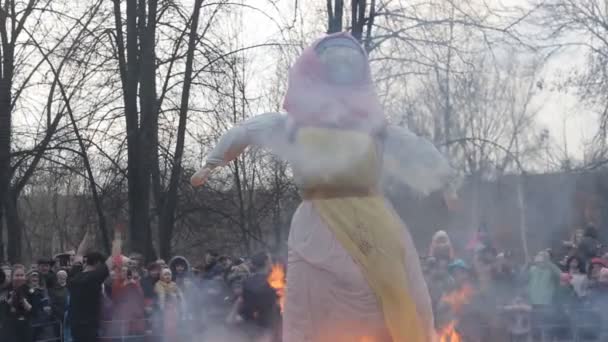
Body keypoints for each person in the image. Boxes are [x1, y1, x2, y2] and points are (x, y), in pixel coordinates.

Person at [191, 32, 459, 342]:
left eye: (350, 62)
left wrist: (446, 180)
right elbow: (248, 130)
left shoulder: (373, 127)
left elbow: (415, 147)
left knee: (395, 295)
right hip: (318, 223)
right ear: (317, 70)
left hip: (374, 223)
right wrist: (212, 162)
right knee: (313, 303)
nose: (343, 68)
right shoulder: (296, 124)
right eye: (336, 62)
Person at [67, 251, 109, 342]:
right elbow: (114, 259)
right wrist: (118, 238)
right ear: (98, 263)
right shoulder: (95, 276)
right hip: (89, 323)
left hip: (74, 323)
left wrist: (89, 235)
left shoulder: (75, 275)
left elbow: (79, 253)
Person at [3, 264, 34, 342]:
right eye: (17, 275)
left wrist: (25, 303)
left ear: (25, 277)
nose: (19, 278)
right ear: (12, 277)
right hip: (9, 329)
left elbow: (35, 311)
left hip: (26, 328)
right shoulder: (5, 290)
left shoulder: (30, 290)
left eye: (21, 275)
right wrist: (8, 303)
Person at [155, 268, 183, 341]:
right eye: (165, 274)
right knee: (167, 329)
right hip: (164, 310)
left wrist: (181, 304)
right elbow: (162, 295)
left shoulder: (174, 284)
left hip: (174, 310)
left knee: (175, 329)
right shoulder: (158, 284)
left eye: (169, 274)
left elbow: (180, 296)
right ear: (161, 276)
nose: (167, 276)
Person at [48, 270, 69, 339]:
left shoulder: (70, 287)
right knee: (58, 335)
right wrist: (61, 313)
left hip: (70, 316)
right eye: (60, 276)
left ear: (66, 277)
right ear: (57, 278)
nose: (62, 277)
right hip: (58, 317)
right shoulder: (53, 289)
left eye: (64, 276)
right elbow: (52, 303)